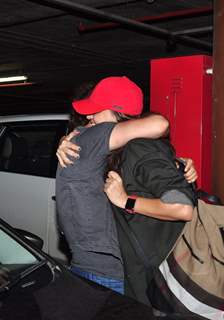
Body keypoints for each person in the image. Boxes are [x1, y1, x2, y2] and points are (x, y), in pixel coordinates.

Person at [55, 76, 171, 294]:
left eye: (95, 109)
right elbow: (160, 124)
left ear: (117, 111)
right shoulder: (91, 136)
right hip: (105, 272)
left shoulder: (114, 146)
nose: (88, 116)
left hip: (105, 267)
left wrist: (180, 163)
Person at [102, 137, 197, 306]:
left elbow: (181, 207)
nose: (90, 117)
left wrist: (125, 201)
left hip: (155, 276)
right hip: (147, 270)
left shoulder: (137, 148)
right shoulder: (120, 152)